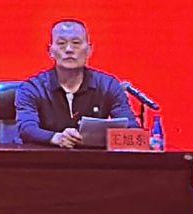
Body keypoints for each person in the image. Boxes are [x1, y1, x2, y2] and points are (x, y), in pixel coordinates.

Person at [13, 18, 138, 147]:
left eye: (76, 43)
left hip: (93, 157)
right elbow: (26, 129)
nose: (69, 49)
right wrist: (55, 137)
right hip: (45, 157)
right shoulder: (32, 88)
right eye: (61, 43)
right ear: (50, 51)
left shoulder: (108, 86)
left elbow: (131, 128)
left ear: (89, 50)